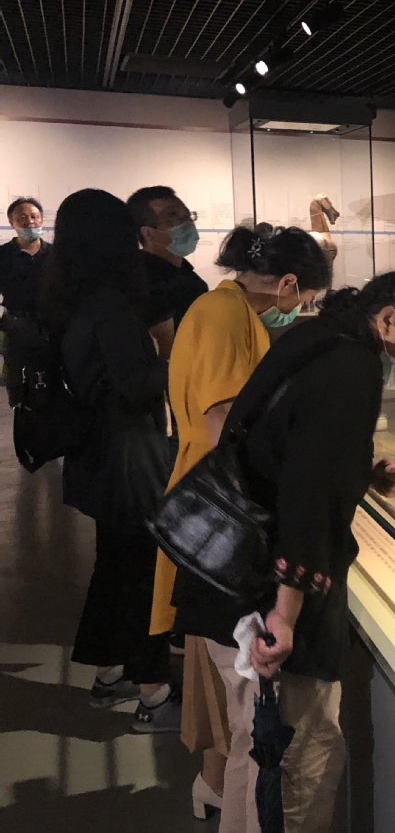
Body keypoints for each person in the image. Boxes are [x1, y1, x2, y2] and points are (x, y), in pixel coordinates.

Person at [171, 269, 395, 833]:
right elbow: (308, 500)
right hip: (260, 594)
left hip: (224, 574)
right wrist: (285, 614)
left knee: (253, 748)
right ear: (388, 320)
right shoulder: (354, 368)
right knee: (297, 760)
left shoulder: (316, 337)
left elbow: (289, 447)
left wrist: (361, 474)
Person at [149, 226, 331, 826]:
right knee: (237, 696)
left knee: (226, 694)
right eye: (304, 299)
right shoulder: (224, 315)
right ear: (287, 284)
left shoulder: (225, 308)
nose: (298, 311)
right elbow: (223, 417)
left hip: (214, 498)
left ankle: (217, 790)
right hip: (220, 509)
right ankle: (225, 795)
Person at [40, 189, 178, 732]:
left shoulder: (70, 296)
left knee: (114, 566)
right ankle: (154, 694)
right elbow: (138, 383)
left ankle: (108, 674)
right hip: (129, 458)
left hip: (97, 454)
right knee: (143, 573)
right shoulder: (110, 305)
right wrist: (182, 360)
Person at [127, 186, 209, 359]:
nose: (186, 223)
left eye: (187, 215)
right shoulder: (145, 280)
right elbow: (165, 350)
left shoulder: (189, 275)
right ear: (149, 233)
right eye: (173, 216)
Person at [0, 197, 53, 405]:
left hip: (51, 325)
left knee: (52, 374)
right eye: (22, 218)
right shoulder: (3, 255)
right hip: (16, 325)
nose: (30, 221)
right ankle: (20, 409)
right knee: (16, 377)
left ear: (41, 220)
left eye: (34, 216)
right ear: (12, 223)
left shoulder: (55, 254)